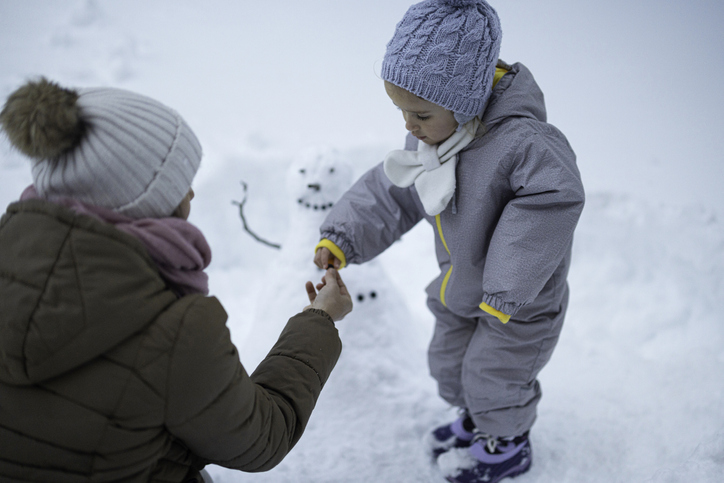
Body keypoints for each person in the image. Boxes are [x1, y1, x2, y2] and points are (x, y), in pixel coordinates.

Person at [0, 78, 353, 483]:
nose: (191, 194)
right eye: (178, 183)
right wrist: (319, 321)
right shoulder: (170, 330)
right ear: (139, 199)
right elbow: (264, 436)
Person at [313, 1, 585, 481]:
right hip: (461, 285)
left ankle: (506, 444)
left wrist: (506, 287)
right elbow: (393, 192)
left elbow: (549, 205)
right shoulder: (436, 140)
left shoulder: (526, 145)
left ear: (467, 101)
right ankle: (478, 419)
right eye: (400, 111)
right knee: (449, 363)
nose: (408, 126)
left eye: (418, 113)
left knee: (493, 376)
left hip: (518, 302)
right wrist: (343, 236)